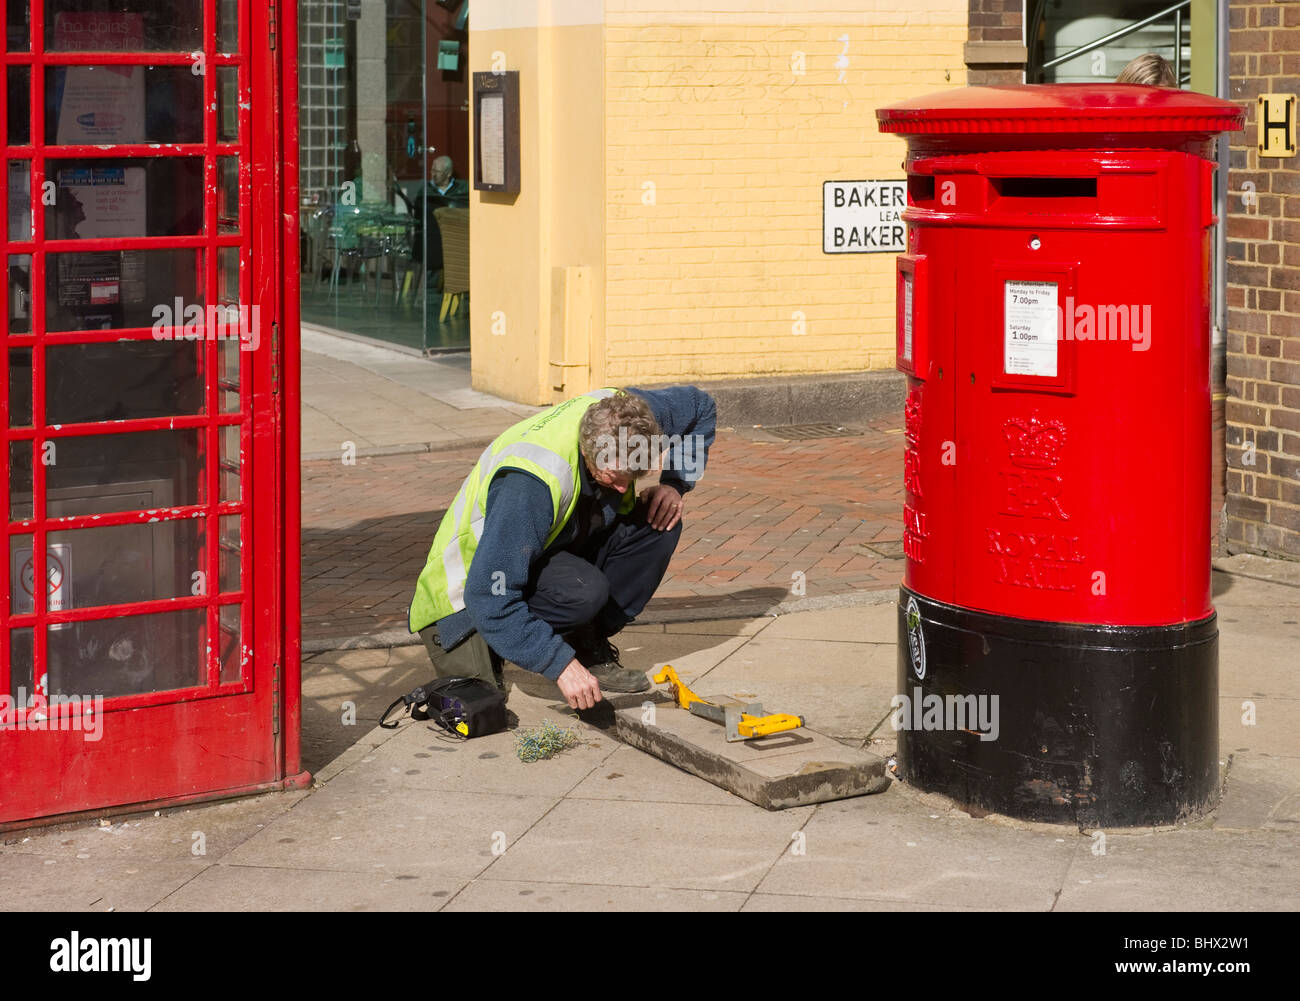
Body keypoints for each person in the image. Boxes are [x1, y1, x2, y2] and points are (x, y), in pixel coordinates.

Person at [408, 386, 716, 711]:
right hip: (466, 594)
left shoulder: (636, 415)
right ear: (587, 448)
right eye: (614, 475)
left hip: (541, 547)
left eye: (635, 474)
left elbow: (701, 408)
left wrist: (675, 484)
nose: (625, 487)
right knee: (482, 707)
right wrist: (558, 664)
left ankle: (584, 639)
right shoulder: (530, 485)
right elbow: (487, 594)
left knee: (661, 524)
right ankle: (508, 637)